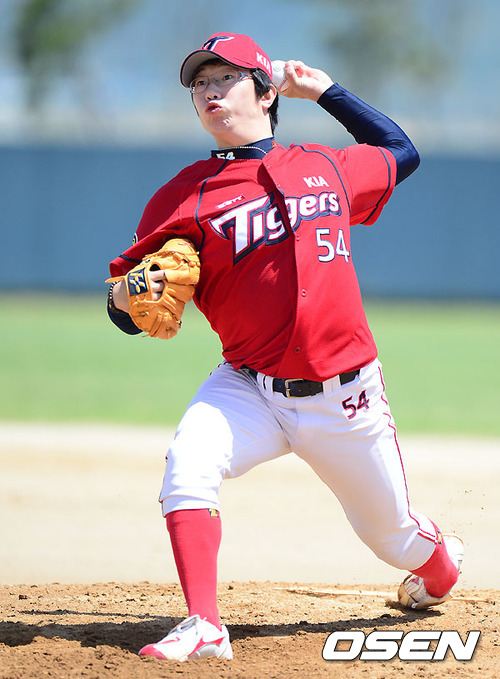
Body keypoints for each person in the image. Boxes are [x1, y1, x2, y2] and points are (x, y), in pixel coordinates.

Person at [107, 32, 463, 662]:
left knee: (396, 540)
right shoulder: (184, 195)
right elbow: (125, 311)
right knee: (189, 463)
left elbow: (401, 152)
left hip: (344, 396)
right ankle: (205, 626)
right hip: (248, 385)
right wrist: (128, 296)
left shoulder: (326, 165)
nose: (210, 92)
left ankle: (438, 567)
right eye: (200, 84)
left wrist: (326, 91)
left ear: (266, 92)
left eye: (225, 78)